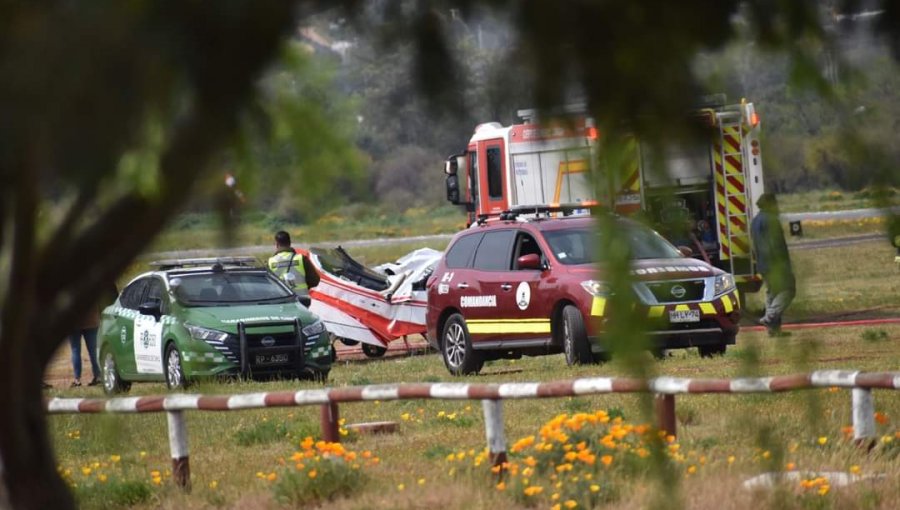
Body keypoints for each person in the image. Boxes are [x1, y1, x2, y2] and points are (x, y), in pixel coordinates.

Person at [750, 193, 795, 337]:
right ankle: (770, 318)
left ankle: (774, 331)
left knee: (772, 293)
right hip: (775, 264)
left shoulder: (755, 221)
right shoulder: (771, 220)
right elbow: (776, 245)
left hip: (763, 264)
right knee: (788, 290)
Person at [268, 231, 309, 299]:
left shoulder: (271, 261)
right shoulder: (301, 258)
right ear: (290, 243)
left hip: (281, 299)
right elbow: (315, 280)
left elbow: (268, 284)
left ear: (277, 244)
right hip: (302, 298)